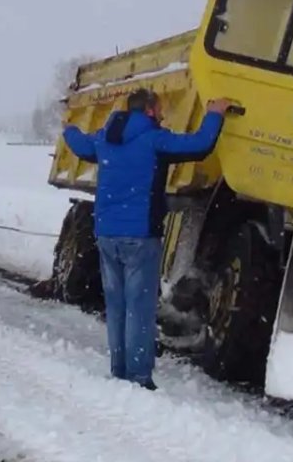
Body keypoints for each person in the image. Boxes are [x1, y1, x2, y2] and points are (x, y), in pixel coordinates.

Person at [62, 89, 232, 390]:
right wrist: (215, 113)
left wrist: (69, 126)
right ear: (150, 111)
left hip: (106, 234)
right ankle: (139, 377)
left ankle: (119, 370)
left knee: (116, 306)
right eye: (161, 109)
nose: (164, 114)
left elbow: (79, 144)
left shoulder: (105, 138)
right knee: (139, 308)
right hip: (140, 236)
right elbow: (200, 145)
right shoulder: (155, 140)